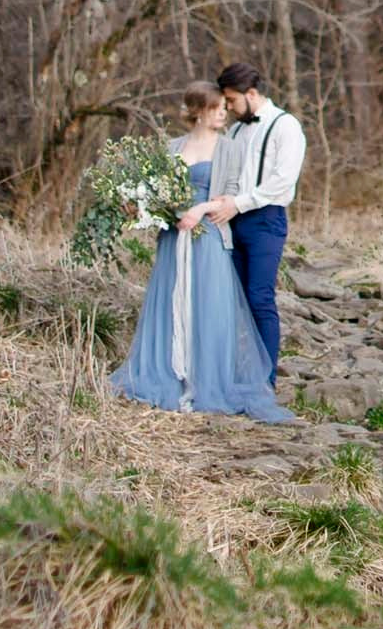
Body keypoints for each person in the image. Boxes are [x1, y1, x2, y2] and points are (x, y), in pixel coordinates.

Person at [109, 80, 293, 422]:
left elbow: (233, 193)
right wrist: (143, 207)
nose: (223, 113)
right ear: (198, 111)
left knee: (210, 305)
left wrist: (199, 209)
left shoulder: (230, 149)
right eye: (216, 108)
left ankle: (207, 379)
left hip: (208, 233)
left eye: (225, 107)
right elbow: (155, 190)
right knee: (171, 301)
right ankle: (171, 375)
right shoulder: (171, 147)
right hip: (172, 237)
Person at [209, 60, 305, 386]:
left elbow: (282, 181)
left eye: (233, 101)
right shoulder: (235, 131)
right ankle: (236, 374)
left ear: (251, 93)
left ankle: (264, 381)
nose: (230, 108)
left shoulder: (285, 126)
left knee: (260, 296)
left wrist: (239, 203)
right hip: (231, 220)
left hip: (265, 220)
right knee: (233, 299)